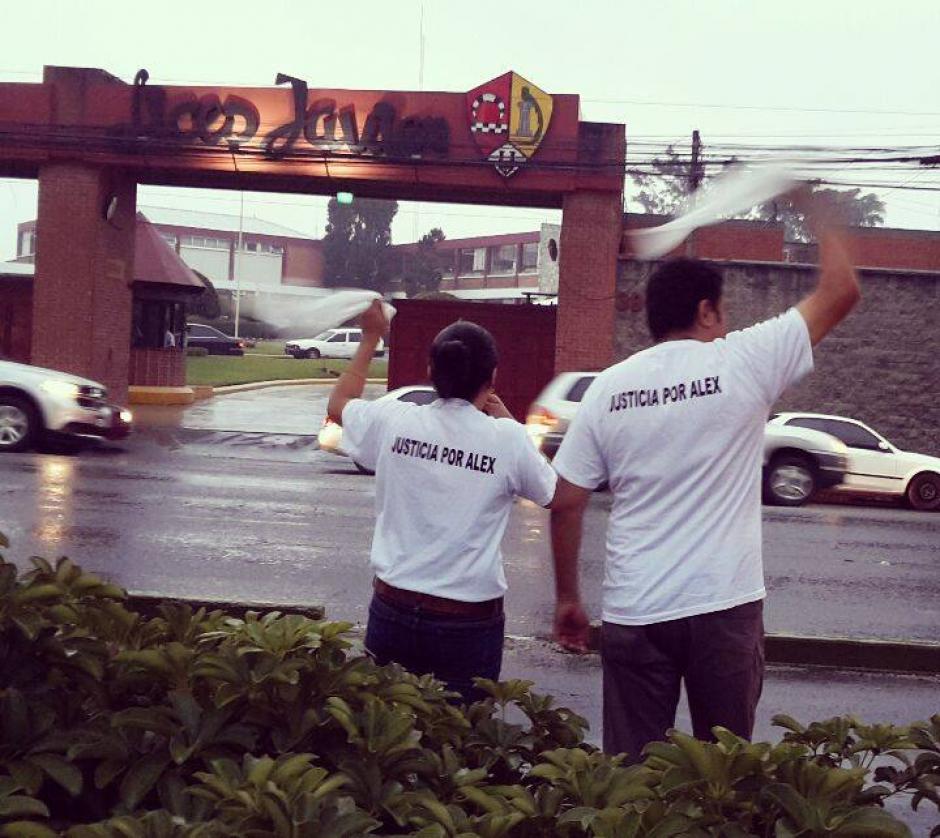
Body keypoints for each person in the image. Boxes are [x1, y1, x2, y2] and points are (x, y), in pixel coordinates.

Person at [548, 210, 860, 760]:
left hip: (636, 609)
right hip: (723, 605)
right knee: (723, 772)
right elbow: (841, 291)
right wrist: (808, 200)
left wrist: (569, 598)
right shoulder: (744, 359)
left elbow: (566, 502)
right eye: (723, 311)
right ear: (706, 310)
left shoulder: (608, 389)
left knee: (632, 774)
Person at [327, 303, 558, 702]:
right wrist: (509, 421)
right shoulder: (507, 438)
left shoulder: (396, 419)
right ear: (492, 377)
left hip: (393, 607)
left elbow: (338, 405)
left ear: (431, 371)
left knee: (385, 730)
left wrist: (369, 339)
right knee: (462, 733)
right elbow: (552, 493)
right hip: (466, 623)